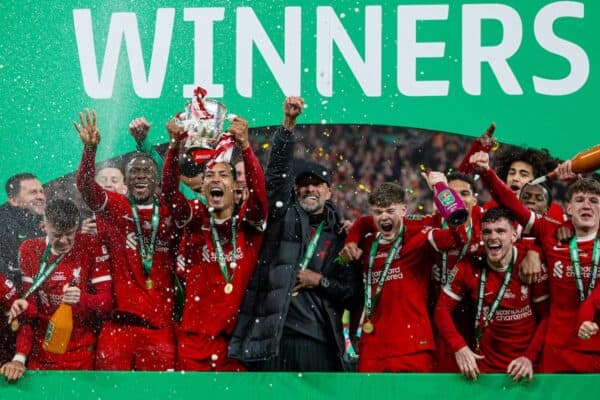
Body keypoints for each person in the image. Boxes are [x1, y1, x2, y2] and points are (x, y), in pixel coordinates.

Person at [229, 97, 360, 371]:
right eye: (303, 185)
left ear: (328, 191)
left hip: (318, 339)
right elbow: (276, 172)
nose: (309, 189)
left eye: (317, 184)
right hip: (274, 337)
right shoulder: (282, 217)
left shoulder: (341, 235)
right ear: (294, 190)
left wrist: (320, 281)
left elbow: (350, 294)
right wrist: (288, 125)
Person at [470, 151, 600, 372]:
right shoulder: (551, 232)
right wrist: (487, 173)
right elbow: (513, 204)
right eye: (579, 200)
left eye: (594, 201)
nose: (586, 205)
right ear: (569, 208)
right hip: (557, 348)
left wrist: (582, 177)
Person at [74, 109, 182, 371]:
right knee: (110, 392)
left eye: (147, 172)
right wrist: (90, 150)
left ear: (157, 180)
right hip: (118, 327)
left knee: (159, 394)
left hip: (159, 327)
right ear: (126, 181)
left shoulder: (170, 210)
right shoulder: (117, 207)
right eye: (135, 173)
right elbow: (87, 187)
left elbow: (174, 181)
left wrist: (171, 146)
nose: (142, 176)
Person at [161, 112, 268, 371]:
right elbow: (169, 194)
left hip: (235, 343)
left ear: (234, 186)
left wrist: (245, 145)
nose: (215, 179)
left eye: (223, 175)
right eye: (209, 176)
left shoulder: (248, 226)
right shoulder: (197, 220)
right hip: (194, 341)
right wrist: (174, 147)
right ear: (204, 187)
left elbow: (260, 194)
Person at [344, 179, 467, 373]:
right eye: (378, 212)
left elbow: (458, 237)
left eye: (390, 211)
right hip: (372, 348)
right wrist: (353, 330)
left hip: (413, 348)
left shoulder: (420, 237)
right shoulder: (367, 245)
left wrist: (442, 189)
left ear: (403, 210)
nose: (384, 217)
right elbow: (362, 291)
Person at [0, 199, 111, 382]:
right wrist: (19, 357)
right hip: (42, 353)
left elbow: (107, 302)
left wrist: (82, 298)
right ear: (44, 226)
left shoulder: (91, 245)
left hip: (81, 353)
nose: (64, 241)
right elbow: (31, 314)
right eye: (57, 235)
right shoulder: (30, 249)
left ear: (76, 226)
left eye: (70, 234)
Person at [434, 207, 548, 381]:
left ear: (514, 236)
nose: (493, 237)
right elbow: (441, 310)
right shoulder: (469, 265)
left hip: (526, 367)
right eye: (487, 231)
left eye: (500, 231)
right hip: (484, 369)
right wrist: (459, 347)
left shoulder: (529, 264)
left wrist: (529, 357)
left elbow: (546, 316)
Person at [0, 173, 46, 364]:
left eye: (42, 191)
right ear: (14, 200)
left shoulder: (46, 222)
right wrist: (12, 297)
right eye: (33, 192)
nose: (41, 196)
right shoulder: (3, 222)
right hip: (7, 310)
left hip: (30, 312)